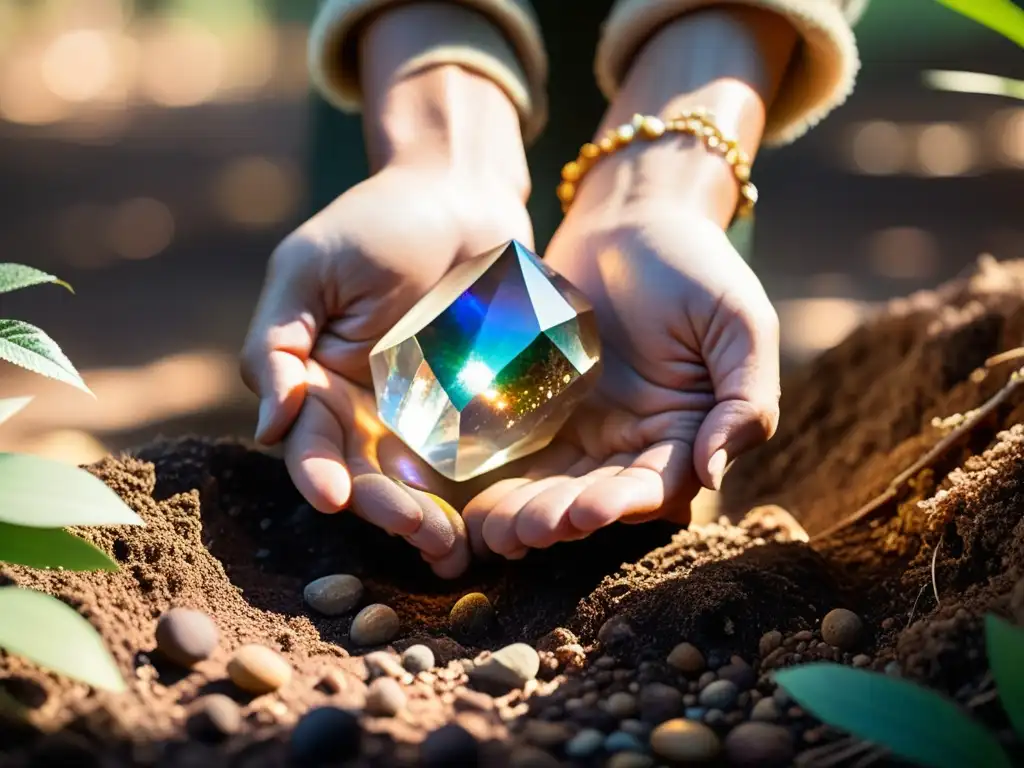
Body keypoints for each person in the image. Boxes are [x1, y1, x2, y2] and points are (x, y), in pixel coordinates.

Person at [240, 0, 869, 578]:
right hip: (398, 44)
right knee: (352, 528)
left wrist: (667, 184)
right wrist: (443, 144)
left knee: (631, 534)